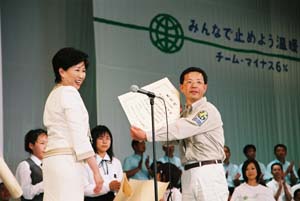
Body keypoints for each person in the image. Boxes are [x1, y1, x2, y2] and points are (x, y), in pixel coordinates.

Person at [130, 67, 228, 201]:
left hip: (208, 172)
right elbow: (169, 140)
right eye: (189, 82)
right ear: (181, 87)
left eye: (199, 82)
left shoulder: (207, 111)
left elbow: (183, 128)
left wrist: (147, 135)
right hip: (188, 172)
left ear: (205, 87)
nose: (194, 85)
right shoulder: (183, 115)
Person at [43, 47, 103, 201]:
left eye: (83, 70)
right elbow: (79, 135)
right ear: (61, 71)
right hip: (67, 161)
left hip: (52, 161)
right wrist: (96, 171)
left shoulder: (53, 94)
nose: (82, 75)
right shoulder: (69, 92)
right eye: (77, 70)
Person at [84, 125, 123, 201]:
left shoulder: (116, 162)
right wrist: (108, 187)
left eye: (107, 138)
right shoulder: (86, 162)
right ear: (93, 140)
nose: (105, 141)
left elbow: (120, 185)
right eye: (101, 138)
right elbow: (84, 189)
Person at [15, 129, 48, 201]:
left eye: (48, 143)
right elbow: (26, 194)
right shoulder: (25, 165)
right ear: (31, 145)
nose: (46, 147)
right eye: (42, 143)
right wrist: (47, 183)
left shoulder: (48, 165)